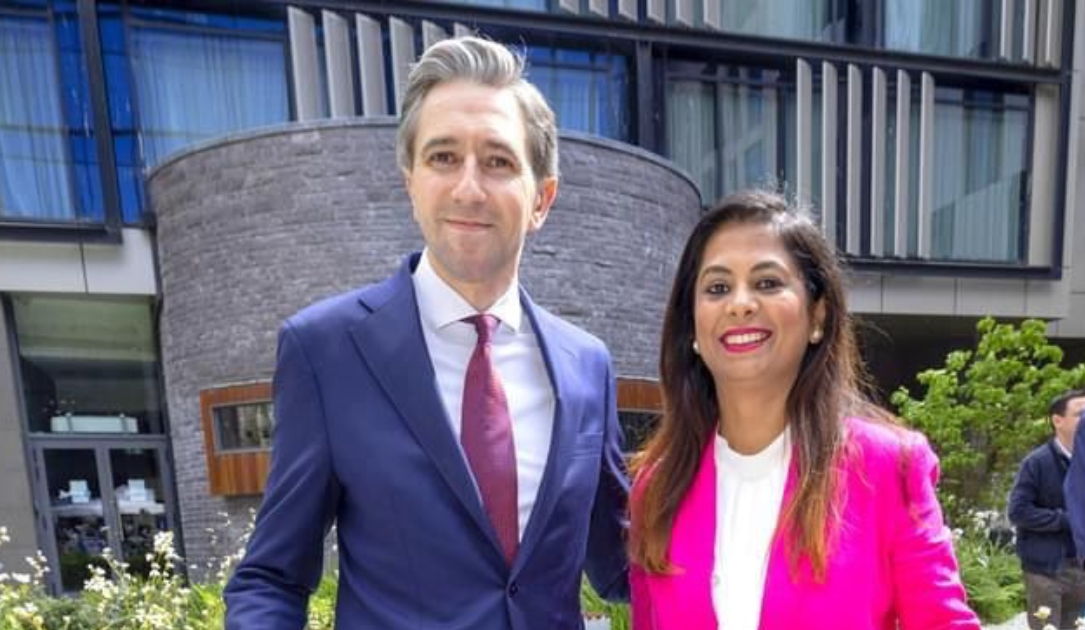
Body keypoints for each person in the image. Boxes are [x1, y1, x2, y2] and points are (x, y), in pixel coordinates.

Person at [223, 36, 629, 630]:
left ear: (541, 198)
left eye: (498, 161)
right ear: (410, 180)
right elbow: (272, 578)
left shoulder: (586, 365)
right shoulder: (326, 351)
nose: (469, 187)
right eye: (443, 157)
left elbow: (624, 565)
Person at [627, 190, 978, 630]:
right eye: (717, 287)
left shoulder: (888, 466)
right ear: (692, 326)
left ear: (817, 316)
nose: (740, 303)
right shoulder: (657, 486)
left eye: (767, 283)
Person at [1010, 389, 1085, 630]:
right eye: (1080, 414)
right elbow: (1018, 511)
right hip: (1045, 570)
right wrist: (1068, 519)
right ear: (1057, 420)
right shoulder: (1037, 462)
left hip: (1079, 569)